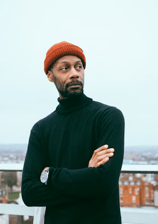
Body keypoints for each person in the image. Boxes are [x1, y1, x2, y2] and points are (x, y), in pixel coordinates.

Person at [22, 41, 125, 224]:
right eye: (65, 68)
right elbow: (29, 193)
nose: (75, 73)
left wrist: (51, 176)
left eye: (79, 67)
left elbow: (105, 183)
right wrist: (88, 179)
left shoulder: (108, 117)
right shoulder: (41, 129)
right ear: (49, 75)